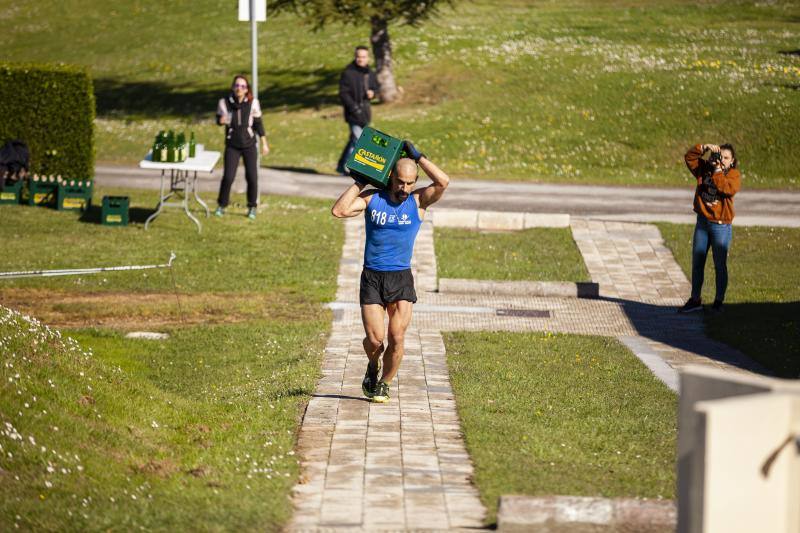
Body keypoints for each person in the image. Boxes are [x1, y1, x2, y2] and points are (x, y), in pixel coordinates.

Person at [331, 142, 449, 403]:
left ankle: (384, 383)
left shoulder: (418, 201)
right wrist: (359, 181)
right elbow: (339, 211)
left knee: (397, 337)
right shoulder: (373, 198)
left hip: (400, 278)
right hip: (372, 277)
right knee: (375, 341)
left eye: (409, 183)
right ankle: (372, 366)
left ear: (414, 181)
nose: (404, 188)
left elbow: (442, 182)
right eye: (399, 182)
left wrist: (419, 157)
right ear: (390, 178)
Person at [679, 143, 741, 313]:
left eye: (726, 158)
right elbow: (689, 158)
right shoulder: (704, 168)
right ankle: (695, 299)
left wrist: (718, 171)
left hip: (721, 226)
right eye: (720, 156)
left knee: (719, 265)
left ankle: (719, 301)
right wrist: (704, 147)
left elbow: (727, 189)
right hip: (703, 223)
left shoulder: (733, 175)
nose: (722, 160)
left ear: (732, 161)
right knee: (697, 262)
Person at [215, 75, 269, 220]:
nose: (239, 88)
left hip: (249, 145)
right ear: (233, 87)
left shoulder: (253, 103)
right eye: (237, 85)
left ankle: (252, 207)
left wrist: (264, 143)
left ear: (247, 89)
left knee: (252, 177)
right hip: (232, 145)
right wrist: (220, 121)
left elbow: (258, 124)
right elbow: (218, 119)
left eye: (243, 86)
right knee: (228, 177)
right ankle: (221, 205)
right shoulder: (224, 102)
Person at [335, 46, 379, 176]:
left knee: (354, 139)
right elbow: (343, 93)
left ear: (368, 58)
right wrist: (353, 107)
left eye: (363, 57)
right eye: (358, 56)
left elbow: (376, 88)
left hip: (365, 112)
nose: (361, 59)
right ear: (355, 57)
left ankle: (341, 165)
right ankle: (348, 167)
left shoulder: (370, 73)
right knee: (359, 139)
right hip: (352, 112)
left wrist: (373, 93)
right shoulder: (348, 73)